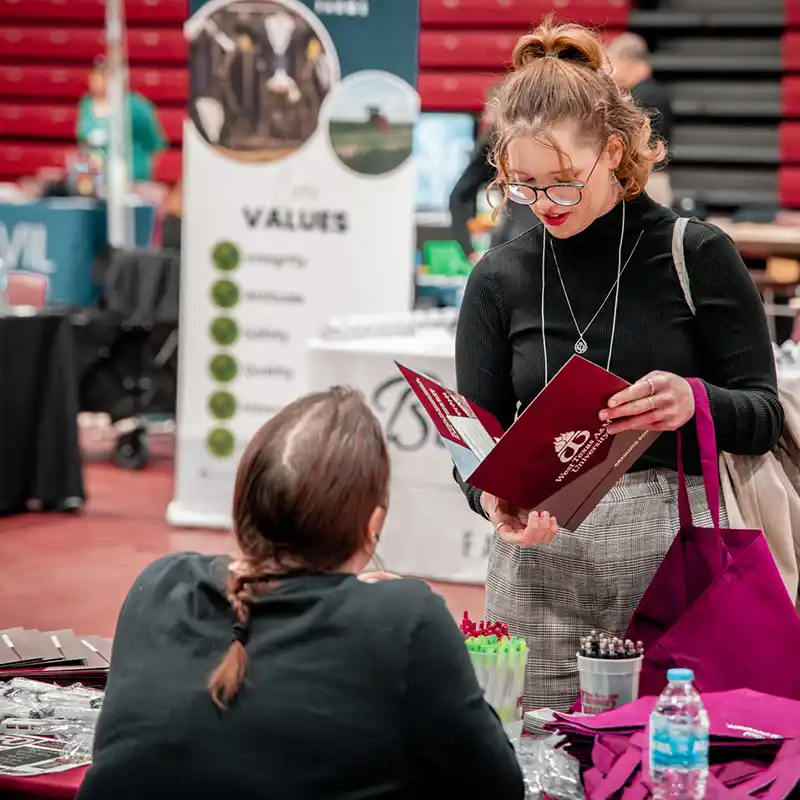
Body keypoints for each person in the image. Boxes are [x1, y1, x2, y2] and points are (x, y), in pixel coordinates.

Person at [454, 18, 782, 712]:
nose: (546, 205)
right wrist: (492, 499)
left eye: (564, 183)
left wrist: (694, 400)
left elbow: (763, 415)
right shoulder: (499, 277)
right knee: (528, 747)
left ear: (612, 150)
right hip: (534, 566)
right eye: (524, 185)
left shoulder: (693, 254)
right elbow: (473, 442)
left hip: (670, 555)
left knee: (665, 747)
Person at [77, 388, 523, 800]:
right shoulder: (405, 619)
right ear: (372, 526)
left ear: (243, 507)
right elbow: (497, 787)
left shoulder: (162, 582)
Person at [449, 85, 529, 263]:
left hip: (512, 243)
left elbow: (459, 196)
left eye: (488, 111)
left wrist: (469, 250)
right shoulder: (494, 146)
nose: (484, 117)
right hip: (524, 243)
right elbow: (459, 197)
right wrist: (469, 249)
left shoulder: (493, 143)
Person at [605, 32, 674, 208]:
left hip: (645, 181)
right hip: (653, 178)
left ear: (628, 60)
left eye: (614, 62)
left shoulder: (641, 97)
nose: (612, 70)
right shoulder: (655, 92)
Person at [76, 59, 165, 184]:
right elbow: (83, 144)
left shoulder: (135, 105)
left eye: (103, 75)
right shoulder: (86, 104)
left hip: (132, 179)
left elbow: (153, 143)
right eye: (95, 75)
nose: (97, 80)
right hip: (95, 180)